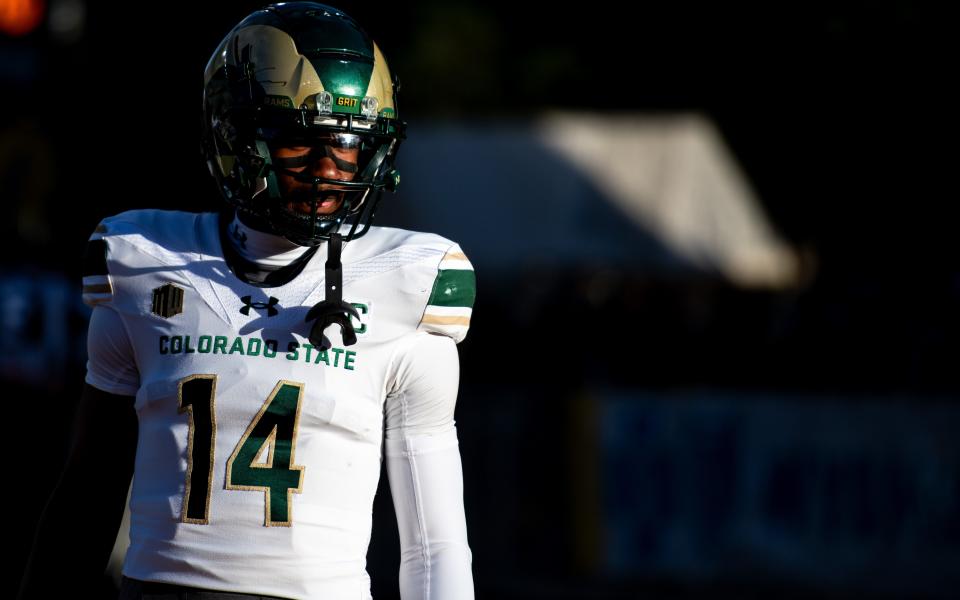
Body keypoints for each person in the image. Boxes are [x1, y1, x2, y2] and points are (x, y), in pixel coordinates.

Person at [18, 3, 476, 599]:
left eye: (350, 146)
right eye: (301, 144)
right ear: (235, 137)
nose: (332, 172)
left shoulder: (408, 283)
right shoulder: (142, 262)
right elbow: (88, 492)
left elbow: (434, 542)